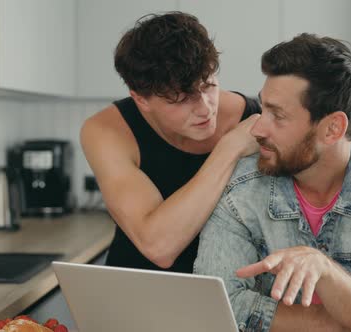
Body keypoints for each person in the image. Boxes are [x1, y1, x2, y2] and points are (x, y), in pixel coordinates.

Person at [194, 33, 351, 331]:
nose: (257, 128)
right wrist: (337, 322)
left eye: (277, 116)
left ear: (332, 128)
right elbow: (220, 306)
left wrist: (322, 269)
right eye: (263, 107)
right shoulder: (240, 184)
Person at [80, 12, 261, 273]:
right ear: (141, 99)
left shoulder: (253, 116)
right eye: (182, 99)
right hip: (141, 285)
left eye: (209, 85)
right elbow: (159, 247)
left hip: (233, 290)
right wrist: (229, 148)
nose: (205, 109)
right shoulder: (107, 130)